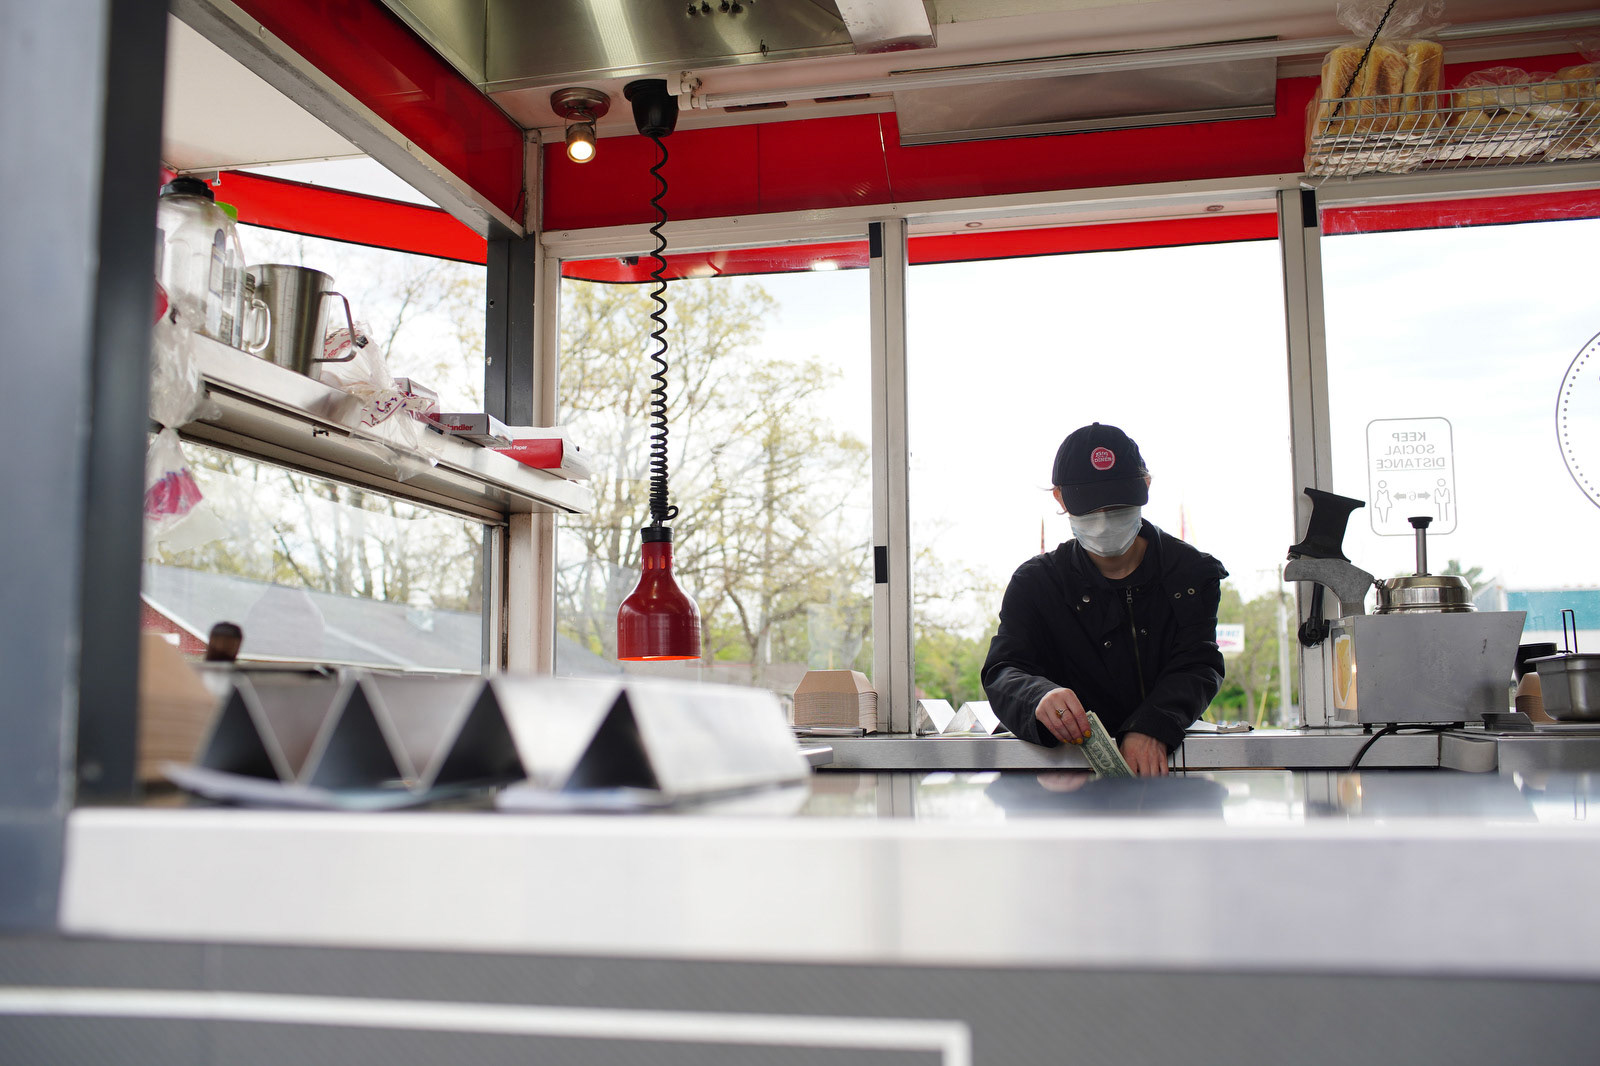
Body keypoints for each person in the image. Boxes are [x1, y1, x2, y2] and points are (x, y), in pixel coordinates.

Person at [981, 423, 1228, 776]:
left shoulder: (1191, 574)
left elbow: (1198, 663)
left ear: (1145, 487)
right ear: (1060, 498)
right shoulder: (1035, 583)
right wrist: (1038, 697)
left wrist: (1153, 724)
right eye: (1090, 508)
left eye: (1117, 505)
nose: (1104, 520)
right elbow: (1004, 670)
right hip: (1064, 785)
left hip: (1168, 776)